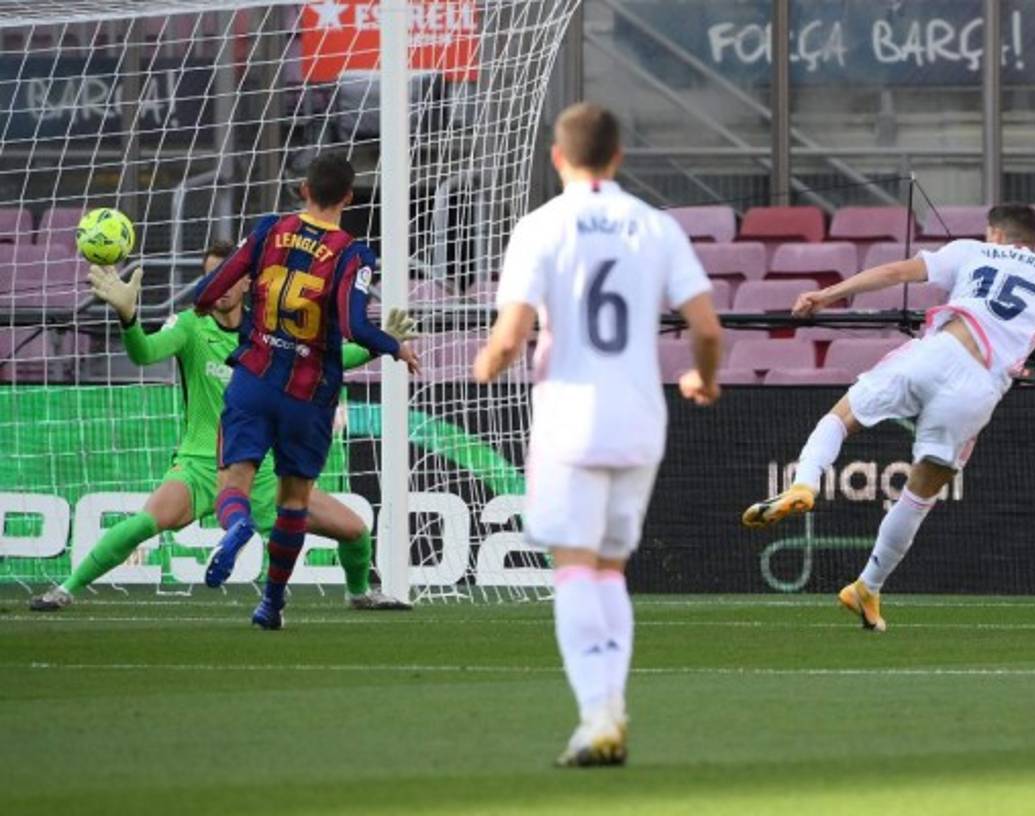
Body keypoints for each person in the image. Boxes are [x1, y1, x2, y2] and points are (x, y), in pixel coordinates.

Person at [742, 204, 1035, 632]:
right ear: (1033, 241)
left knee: (840, 419)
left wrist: (827, 294)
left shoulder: (970, 250)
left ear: (995, 233)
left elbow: (893, 271)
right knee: (919, 495)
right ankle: (867, 586)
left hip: (940, 349)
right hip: (980, 386)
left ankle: (805, 482)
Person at [472, 103, 722, 767]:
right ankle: (609, 709)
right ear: (618, 158)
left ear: (558, 158)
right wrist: (703, 378)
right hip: (641, 416)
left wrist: (488, 362)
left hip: (569, 419)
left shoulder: (541, 225)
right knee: (611, 571)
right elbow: (707, 328)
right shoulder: (655, 224)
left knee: (574, 568)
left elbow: (512, 331)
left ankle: (597, 715)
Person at [28, 243, 415, 612]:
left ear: (248, 280)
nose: (219, 286)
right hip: (199, 466)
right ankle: (64, 590)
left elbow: (329, 360)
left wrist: (381, 344)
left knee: (356, 531)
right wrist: (128, 319)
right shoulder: (190, 327)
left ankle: (359, 593)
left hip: (263, 474)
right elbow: (143, 353)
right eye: (211, 278)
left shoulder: (272, 333)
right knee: (143, 524)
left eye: (228, 276)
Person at [194, 153, 420, 630]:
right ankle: (271, 603)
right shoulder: (353, 254)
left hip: (253, 379)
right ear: (347, 199)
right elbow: (356, 326)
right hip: (307, 393)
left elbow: (211, 290)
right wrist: (394, 347)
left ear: (302, 190)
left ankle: (236, 527)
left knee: (234, 482)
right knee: (294, 500)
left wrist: (206, 305)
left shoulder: (268, 230)